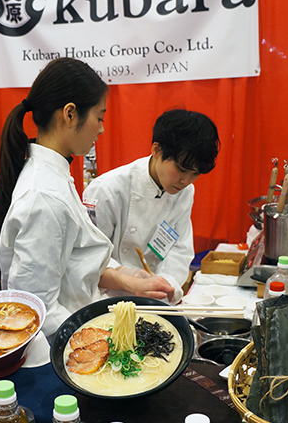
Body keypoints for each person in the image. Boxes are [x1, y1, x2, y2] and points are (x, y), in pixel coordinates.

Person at [0, 58, 174, 337]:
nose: (101, 129)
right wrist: (100, 339)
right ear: (70, 114)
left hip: (78, 326)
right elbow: (36, 310)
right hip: (61, 346)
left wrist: (129, 280)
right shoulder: (45, 196)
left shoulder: (55, 176)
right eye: (99, 117)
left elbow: (74, 262)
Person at [83, 108, 220, 304]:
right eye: (181, 169)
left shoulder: (185, 191)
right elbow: (90, 256)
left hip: (157, 298)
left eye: (195, 174)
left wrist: (166, 284)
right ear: (157, 150)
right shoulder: (107, 189)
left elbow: (179, 248)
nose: (186, 181)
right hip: (109, 299)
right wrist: (129, 277)